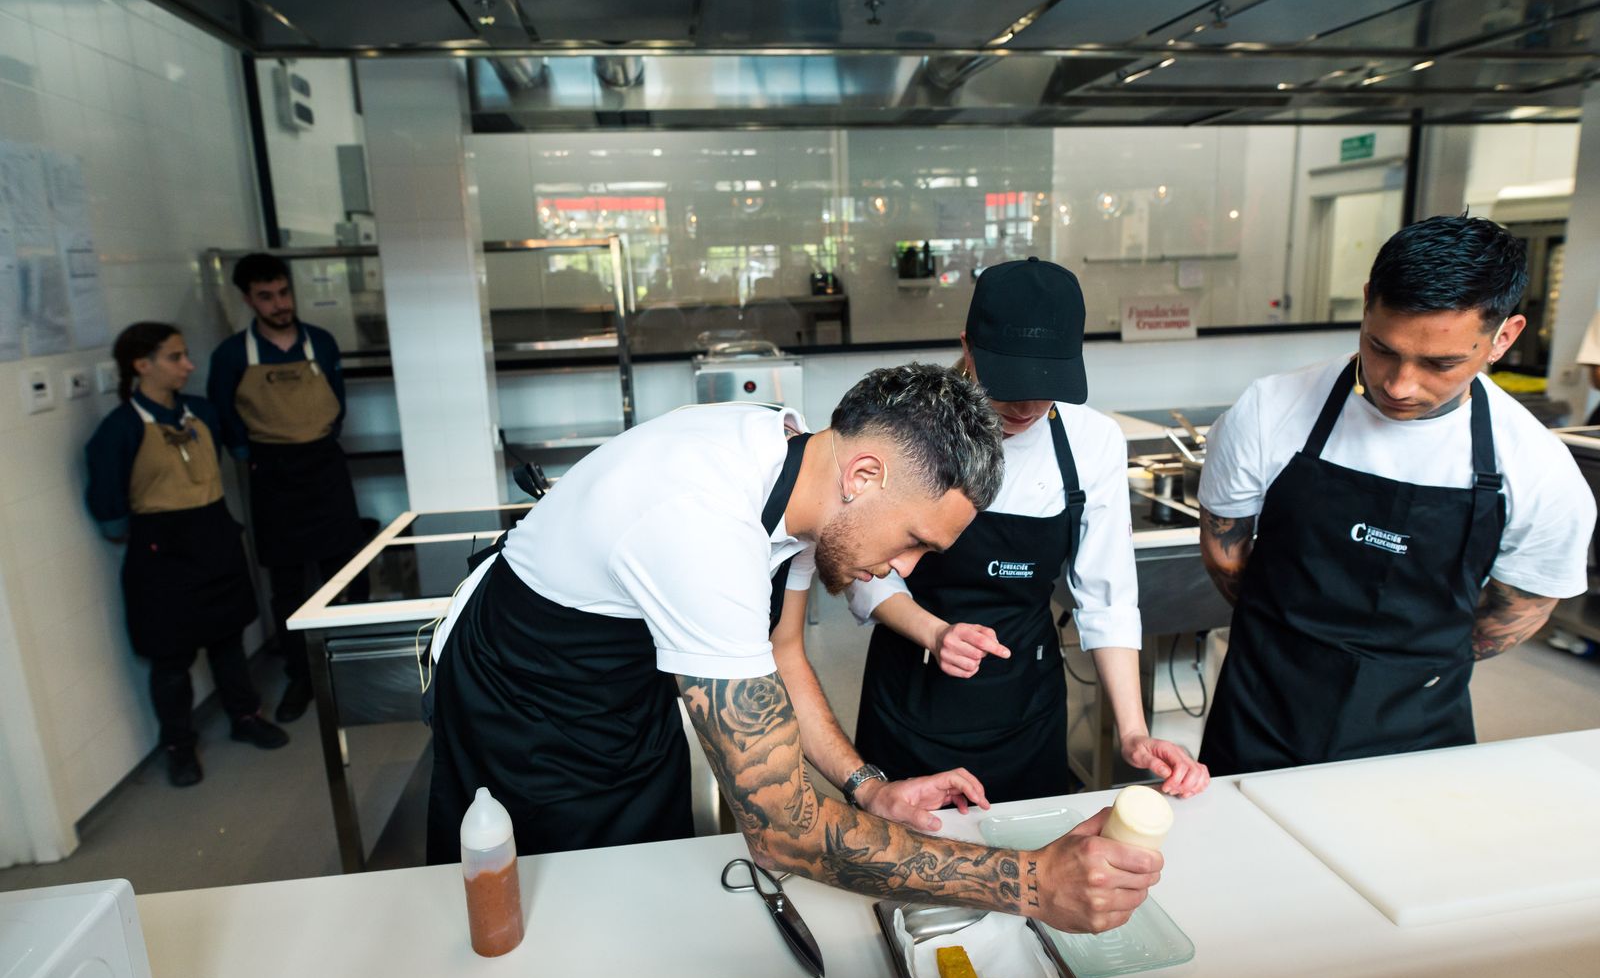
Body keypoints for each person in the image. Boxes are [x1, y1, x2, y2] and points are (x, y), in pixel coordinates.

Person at [426, 364, 1163, 935]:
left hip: (629, 696)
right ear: (865, 475)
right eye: (913, 541)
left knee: (648, 891)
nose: (905, 572)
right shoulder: (702, 523)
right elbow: (781, 832)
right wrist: (1032, 884)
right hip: (524, 700)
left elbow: (783, 651)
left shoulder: (809, 474)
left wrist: (868, 786)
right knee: (549, 918)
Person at [1197, 215, 1595, 776]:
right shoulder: (1269, 411)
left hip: (1418, 721)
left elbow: (1516, 613)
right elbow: (1226, 556)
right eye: (1381, 348)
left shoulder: (1538, 470)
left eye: (1440, 363)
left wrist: (1405, 666)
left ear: (1503, 338)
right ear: (1366, 303)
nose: (1399, 384)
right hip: (1262, 706)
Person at [848, 259, 1209, 803]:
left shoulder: (1093, 442)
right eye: (1012, 382)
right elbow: (861, 568)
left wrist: (1133, 731)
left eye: (1047, 385)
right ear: (968, 348)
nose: (1026, 405)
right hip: (912, 697)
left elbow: (1106, 596)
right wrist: (934, 632)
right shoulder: (903, 428)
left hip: (1028, 709)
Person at [85, 323, 287, 787]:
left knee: (228, 638)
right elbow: (110, 512)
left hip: (213, 531)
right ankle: (179, 744)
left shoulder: (202, 413)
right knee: (170, 657)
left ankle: (246, 717)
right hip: (161, 549)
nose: (188, 366)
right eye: (176, 357)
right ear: (142, 365)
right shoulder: (119, 429)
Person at [207, 254, 363, 724]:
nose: (278, 304)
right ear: (248, 299)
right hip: (272, 473)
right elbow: (224, 417)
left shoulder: (321, 342)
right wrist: (247, 454)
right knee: (288, 583)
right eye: (266, 297)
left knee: (348, 568)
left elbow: (337, 398)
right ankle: (302, 674)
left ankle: (354, 665)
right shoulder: (234, 355)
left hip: (324, 465)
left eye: (283, 293)